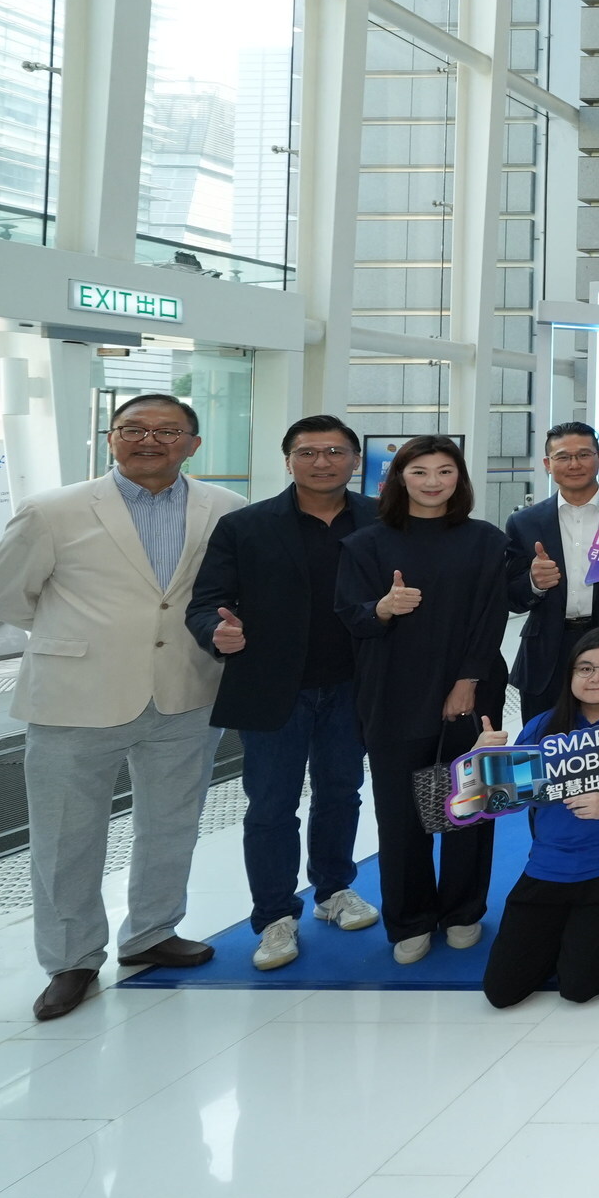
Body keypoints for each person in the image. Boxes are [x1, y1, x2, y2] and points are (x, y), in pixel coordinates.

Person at [0, 393, 244, 1021]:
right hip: (75, 694)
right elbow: (4, 596)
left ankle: (152, 932)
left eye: (168, 431)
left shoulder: (227, 509)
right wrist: (76, 637)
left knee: (172, 823)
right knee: (65, 834)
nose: (149, 440)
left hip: (186, 688)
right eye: (133, 428)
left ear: (193, 444)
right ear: (110, 438)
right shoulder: (52, 510)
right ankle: (71, 958)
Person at [186, 414, 384, 973]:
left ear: (355, 460)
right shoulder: (244, 526)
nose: (322, 462)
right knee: (272, 806)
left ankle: (333, 889)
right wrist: (216, 632)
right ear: (288, 460)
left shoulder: (381, 519)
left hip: (352, 684)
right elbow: (206, 603)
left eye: (335, 451)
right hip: (272, 688)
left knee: (341, 792)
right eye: (308, 452)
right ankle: (274, 915)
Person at [337, 435, 511, 965]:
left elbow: (492, 616)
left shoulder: (485, 539)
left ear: (460, 478)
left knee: (471, 805)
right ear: (398, 479)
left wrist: (467, 680)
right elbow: (352, 616)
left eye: (445, 471)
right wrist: (384, 608)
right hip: (393, 693)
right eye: (420, 472)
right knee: (402, 814)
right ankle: (410, 918)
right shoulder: (365, 544)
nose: (433, 482)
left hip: (472, 690)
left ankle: (463, 910)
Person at [480, 628, 599, 1009]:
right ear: (570, 675)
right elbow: (503, 802)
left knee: (579, 986)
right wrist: (482, 760)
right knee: (501, 990)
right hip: (549, 867)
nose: (596, 677)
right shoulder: (542, 727)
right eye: (585, 668)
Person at [505, 422, 599, 716]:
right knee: (545, 739)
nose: (574, 464)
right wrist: (533, 582)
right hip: (547, 655)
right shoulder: (524, 522)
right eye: (562, 457)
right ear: (547, 464)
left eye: (584, 455)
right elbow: (511, 596)